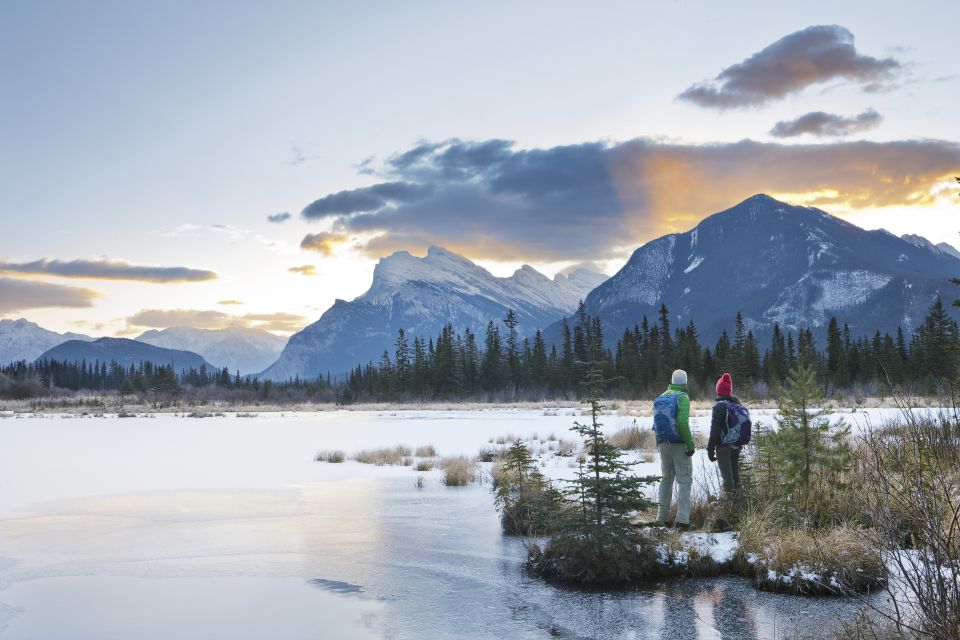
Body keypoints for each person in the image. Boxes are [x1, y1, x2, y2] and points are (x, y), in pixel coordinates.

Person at [653, 369, 695, 529]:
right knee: (684, 482)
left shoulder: (662, 396)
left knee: (666, 479)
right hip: (679, 444)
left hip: (664, 444)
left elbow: (656, 424)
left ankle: (661, 518)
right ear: (684, 382)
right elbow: (683, 423)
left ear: (672, 381)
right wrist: (690, 445)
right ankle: (682, 520)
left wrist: (659, 443)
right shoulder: (682, 397)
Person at [707, 372, 742, 496]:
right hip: (736, 446)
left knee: (727, 478)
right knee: (735, 476)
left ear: (718, 391)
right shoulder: (736, 404)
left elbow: (715, 430)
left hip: (723, 447)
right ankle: (739, 502)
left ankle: (730, 508)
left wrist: (710, 449)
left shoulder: (719, 407)